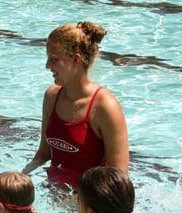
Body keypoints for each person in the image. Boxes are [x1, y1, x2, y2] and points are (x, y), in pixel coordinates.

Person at [23, 22, 129, 190]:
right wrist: (22, 176)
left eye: (54, 59)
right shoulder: (52, 97)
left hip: (90, 208)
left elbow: (119, 180)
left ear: (76, 59)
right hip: (55, 194)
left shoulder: (105, 107)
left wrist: (78, 203)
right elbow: (44, 153)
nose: (47, 66)